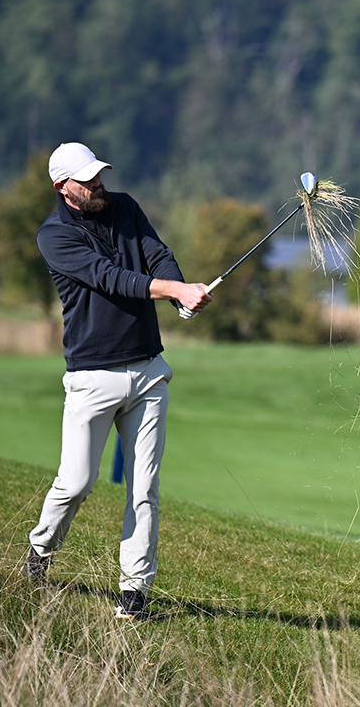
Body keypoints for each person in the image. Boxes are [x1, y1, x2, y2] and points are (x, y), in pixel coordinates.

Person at [23, 142, 212, 620]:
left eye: (98, 175)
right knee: (77, 483)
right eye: (86, 180)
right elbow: (113, 279)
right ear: (62, 187)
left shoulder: (124, 206)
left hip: (147, 371)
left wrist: (181, 296)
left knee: (144, 488)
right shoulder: (54, 236)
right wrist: (174, 289)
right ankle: (41, 551)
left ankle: (134, 595)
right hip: (92, 376)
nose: (97, 184)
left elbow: (156, 255)